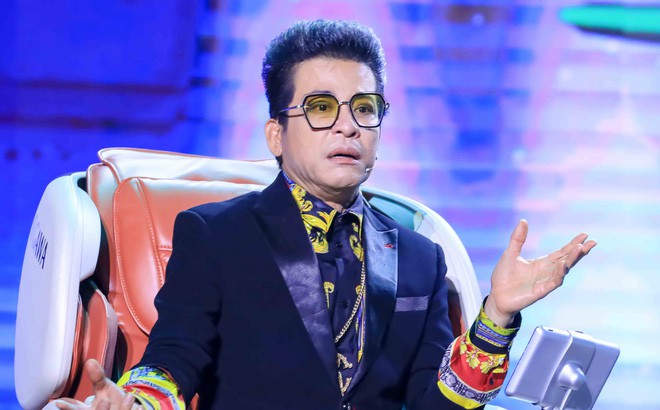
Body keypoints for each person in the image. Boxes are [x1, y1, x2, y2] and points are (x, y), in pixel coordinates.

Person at [56, 19, 595, 410]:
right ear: (276, 135)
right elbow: (174, 360)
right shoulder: (216, 235)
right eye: (320, 107)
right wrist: (135, 403)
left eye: (365, 108)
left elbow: (434, 402)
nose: (347, 125)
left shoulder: (419, 258)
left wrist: (495, 319)